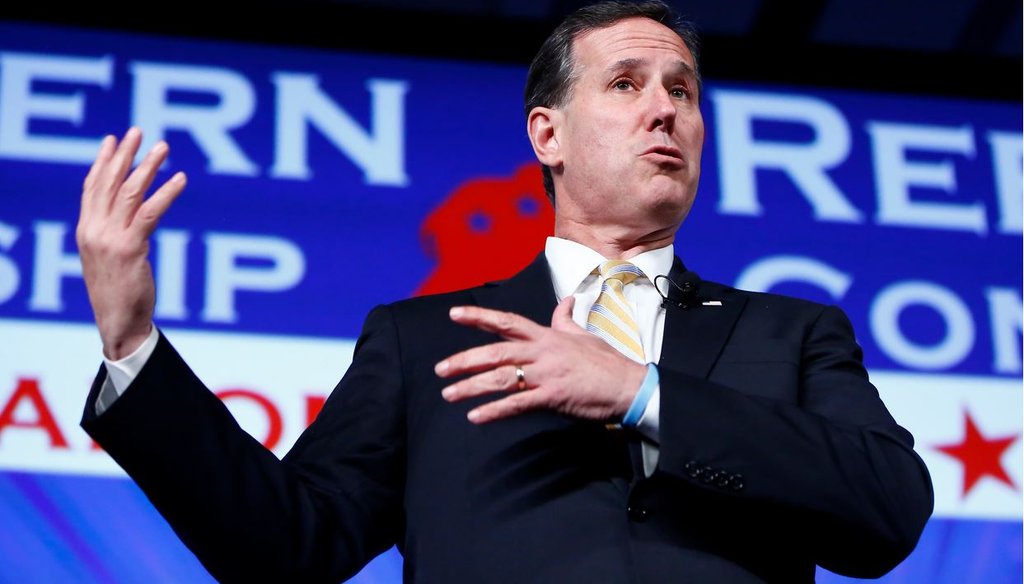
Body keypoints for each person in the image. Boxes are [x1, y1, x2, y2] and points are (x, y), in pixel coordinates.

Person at [76, 1, 934, 582]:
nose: (665, 110)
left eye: (683, 91)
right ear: (547, 134)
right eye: (627, 84)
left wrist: (639, 392)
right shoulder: (425, 342)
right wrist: (131, 343)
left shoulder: (791, 333)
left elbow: (888, 510)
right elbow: (285, 547)